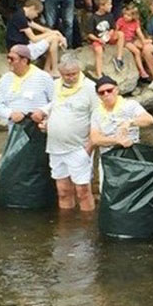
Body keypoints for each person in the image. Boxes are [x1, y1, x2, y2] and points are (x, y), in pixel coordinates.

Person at [38, 54, 98, 211]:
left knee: (83, 191)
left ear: (79, 70)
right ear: (60, 72)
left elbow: (98, 117)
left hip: (79, 147)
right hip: (55, 147)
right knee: (63, 191)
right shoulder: (56, 84)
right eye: (66, 75)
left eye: (74, 74)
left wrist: (90, 147)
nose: (70, 78)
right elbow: (55, 106)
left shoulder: (90, 88)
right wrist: (46, 121)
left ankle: (87, 228)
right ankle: (66, 230)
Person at [89, 75, 153, 155]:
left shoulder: (130, 104)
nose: (106, 94)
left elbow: (149, 119)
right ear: (98, 95)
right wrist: (117, 141)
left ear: (116, 90)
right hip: (108, 157)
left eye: (109, 90)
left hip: (131, 153)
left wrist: (130, 122)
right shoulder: (96, 113)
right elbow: (95, 138)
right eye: (102, 93)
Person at [0, 45, 55, 128]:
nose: (8, 61)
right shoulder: (5, 79)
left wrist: (43, 111)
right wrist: (10, 113)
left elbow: (56, 101)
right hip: (15, 128)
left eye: (12, 59)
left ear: (24, 61)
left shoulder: (43, 77)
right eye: (8, 57)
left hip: (38, 127)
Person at [4, 0, 66, 76]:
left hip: (24, 45)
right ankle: (54, 69)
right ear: (32, 8)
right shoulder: (21, 18)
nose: (36, 16)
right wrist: (53, 35)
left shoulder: (22, 15)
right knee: (54, 39)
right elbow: (34, 39)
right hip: (22, 49)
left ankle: (47, 69)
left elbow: (42, 29)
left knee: (54, 37)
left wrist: (58, 33)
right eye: (37, 13)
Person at [84, 0, 117, 78]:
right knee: (98, 50)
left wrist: (111, 33)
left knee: (121, 34)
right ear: (102, 6)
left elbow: (113, 28)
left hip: (108, 37)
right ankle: (99, 73)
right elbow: (89, 34)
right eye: (109, 4)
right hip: (98, 39)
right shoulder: (93, 18)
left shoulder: (110, 15)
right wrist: (98, 40)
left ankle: (119, 58)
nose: (111, 6)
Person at [114, 2, 150, 78]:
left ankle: (148, 64)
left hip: (132, 39)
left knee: (144, 46)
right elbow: (116, 31)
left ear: (134, 16)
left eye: (128, 15)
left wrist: (143, 40)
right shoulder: (121, 20)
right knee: (137, 52)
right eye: (125, 14)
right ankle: (141, 70)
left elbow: (139, 32)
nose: (125, 16)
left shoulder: (135, 22)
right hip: (125, 41)